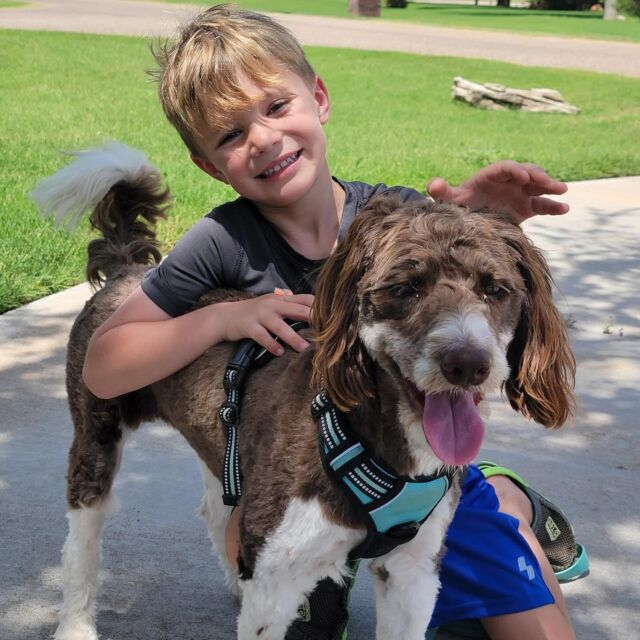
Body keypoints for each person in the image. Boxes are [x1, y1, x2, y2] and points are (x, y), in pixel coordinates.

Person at [82, 5, 583, 639]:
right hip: (325, 468)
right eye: (230, 135)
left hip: (429, 471)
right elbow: (105, 366)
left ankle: (510, 500)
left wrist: (477, 212)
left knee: (534, 628)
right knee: (254, 550)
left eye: (274, 106)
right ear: (209, 166)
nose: (262, 138)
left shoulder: (391, 216)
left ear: (318, 98)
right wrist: (225, 318)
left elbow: (457, 258)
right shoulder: (222, 242)